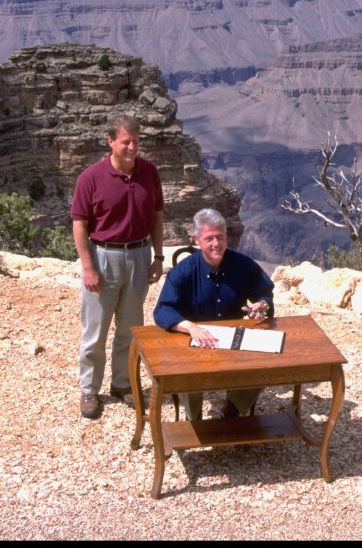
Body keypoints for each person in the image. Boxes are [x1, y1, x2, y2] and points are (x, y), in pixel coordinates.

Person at [71, 114, 165, 419]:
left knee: (130, 328)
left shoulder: (149, 172)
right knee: (96, 330)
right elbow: (80, 224)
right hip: (103, 256)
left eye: (136, 141)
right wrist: (88, 267)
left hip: (139, 254)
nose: (132, 147)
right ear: (110, 141)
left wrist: (159, 257)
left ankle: (122, 385)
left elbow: (157, 216)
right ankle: (89, 390)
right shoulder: (91, 178)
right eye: (126, 141)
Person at [154, 208, 274, 421]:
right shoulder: (183, 271)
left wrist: (262, 305)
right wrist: (190, 327)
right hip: (194, 340)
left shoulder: (243, 264)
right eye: (209, 239)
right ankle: (195, 421)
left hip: (233, 336)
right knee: (186, 374)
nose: (216, 244)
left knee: (265, 365)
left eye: (220, 237)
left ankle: (235, 408)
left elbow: (264, 293)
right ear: (197, 240)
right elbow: (163, 310)